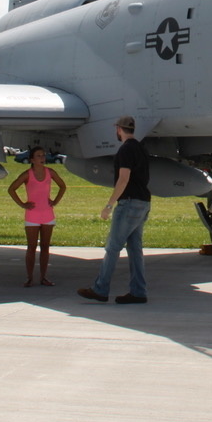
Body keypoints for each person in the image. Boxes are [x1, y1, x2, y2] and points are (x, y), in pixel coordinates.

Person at [78, 115, 151, 304]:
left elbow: (123, 178)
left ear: (118, 129)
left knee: (113, 247)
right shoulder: (141, 149)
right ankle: (138, 292)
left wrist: (109, 205)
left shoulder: (125, 150)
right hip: (143, 203)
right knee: (135, 249)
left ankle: (100, 289)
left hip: (129, 204)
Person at [8, 146, 66, 287]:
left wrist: (55, 201)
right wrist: (22, 204)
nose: (42, 158)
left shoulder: (50, 172)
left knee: (45, 247)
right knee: (31, 247)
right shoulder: (27, 174)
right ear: (32, 159)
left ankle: (44, 277)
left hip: (47, 214)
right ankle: (29, 277)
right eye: (39, 156)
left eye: (43, 155)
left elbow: (62, 186)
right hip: (32, 215)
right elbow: (11, 189)